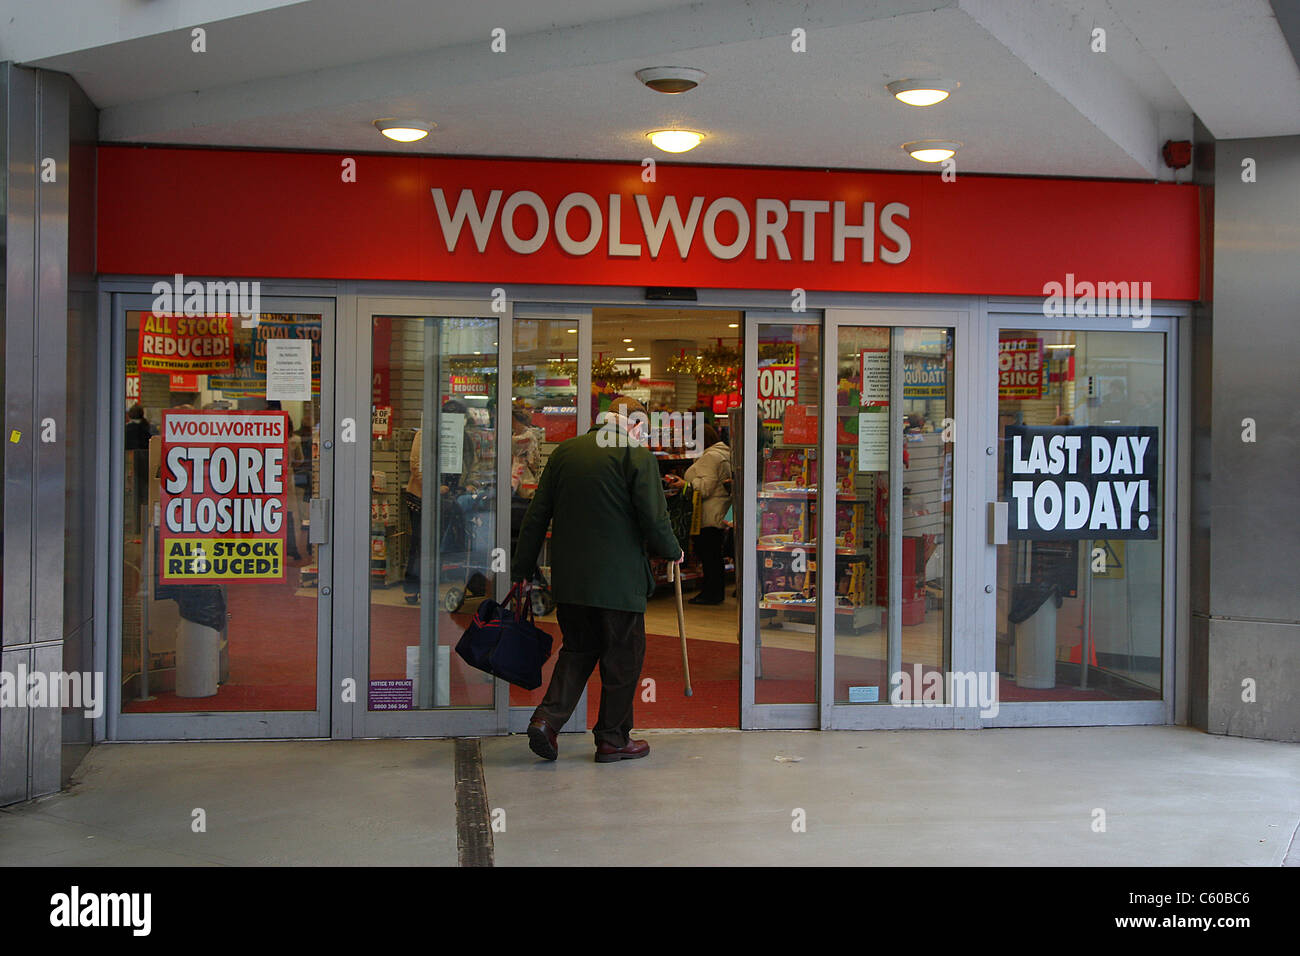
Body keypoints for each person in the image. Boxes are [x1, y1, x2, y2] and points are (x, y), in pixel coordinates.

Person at [512, 396, 683, 763]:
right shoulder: (636, 456)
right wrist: (672, 550)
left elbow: (536, 516)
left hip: (571, 582)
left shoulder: (565, 454)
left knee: (578, 651)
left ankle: (546, 721)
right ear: (635, 424)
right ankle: (613, 739)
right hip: (619, 584)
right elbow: (655, 518)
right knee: (623, 658)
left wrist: (522, 567)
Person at [665, 423, 732, 604]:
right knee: (713, 555)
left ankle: (711, 593)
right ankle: (713, 592)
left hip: (708, 513)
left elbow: (706, 487)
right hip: (719, 510)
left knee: (709, 554)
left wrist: (684, 484)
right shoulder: (724, 453)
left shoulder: (710, 457)